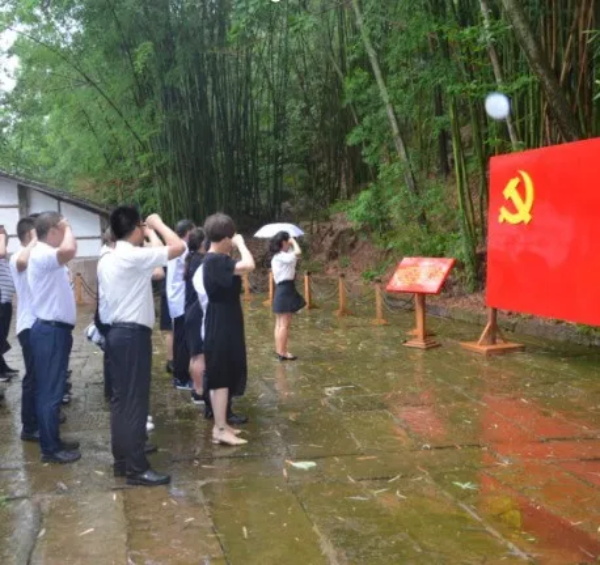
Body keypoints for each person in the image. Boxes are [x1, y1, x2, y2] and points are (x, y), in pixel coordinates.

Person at [98, 206, 184, 486]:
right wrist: (157, 224)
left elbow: (156, 268)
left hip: (116, 334)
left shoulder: (108, 257)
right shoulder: (133, 256)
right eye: (141, 227)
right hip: (132, 336)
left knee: (121, 401)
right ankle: (137, 467)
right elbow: (179, 247)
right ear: (136, 228)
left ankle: (122, 460)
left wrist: (147, 233)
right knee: (135, 401)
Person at [193, 213, 254, 446]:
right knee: (220, 375)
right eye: (232, 237)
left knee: (225, 372)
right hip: (220, 321)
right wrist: (242, 244)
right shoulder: (215, 260)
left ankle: (223, 424)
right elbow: (249, 265)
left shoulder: (216, 260)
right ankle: (219, 428)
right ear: (226, 238)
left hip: (225, 318)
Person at [28, 212, 80, 464]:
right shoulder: (42, 253)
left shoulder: (45, 254)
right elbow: (69, 249)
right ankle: (50, 449)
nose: (66, 234)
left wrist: (64, 227)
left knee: (54, 390)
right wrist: (67, 226)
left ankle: (53, 440)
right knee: (50, 392)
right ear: (52, 231)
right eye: (61, 230)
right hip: (50, 332)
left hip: (54, 331)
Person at [9, 218, 38, 441]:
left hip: (37, 324)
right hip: (29, 325)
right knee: (33, 376)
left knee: (40, 376)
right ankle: (29, 426)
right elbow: (21, 262)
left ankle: (39, 419)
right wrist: (35, 241)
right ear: (29, 234)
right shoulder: (18, 256)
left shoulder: (35, 255)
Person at [167, 219, 196, 390]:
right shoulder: (183, 248)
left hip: (175, 300)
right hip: (181, 300)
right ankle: (181, 378)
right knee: (183, 341)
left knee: (180, 340)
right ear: (188, 233)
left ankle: (180, 375)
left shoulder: (173, 248)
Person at [270, 231, 305, 361]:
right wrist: (293, 241)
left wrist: (290, 242)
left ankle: (280, 350)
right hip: (285, 289)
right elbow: (298, 252)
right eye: (287, 242)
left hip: (282, 289)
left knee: (280, 323)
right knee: (284, 324)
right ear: (283, 242)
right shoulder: (281, 256)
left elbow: (294, 255)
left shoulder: (279, 256)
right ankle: (282, 352)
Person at [183, 227, 206, 406]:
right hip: (197, 311)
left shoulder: (191, 259)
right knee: (199, 355)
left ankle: (195, 388)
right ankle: (199, 391)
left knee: (194, 355)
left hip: (190, 310)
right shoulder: (200, 262)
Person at [0, 225, 18, 381]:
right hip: (0, 303)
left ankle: (2, 366)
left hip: (5, 302)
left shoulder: (4, 259)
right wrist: (1, 234)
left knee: (2, 336)